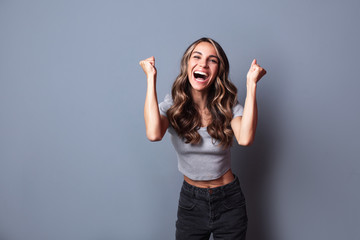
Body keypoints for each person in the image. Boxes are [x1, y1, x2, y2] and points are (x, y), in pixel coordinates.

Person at [139, 37, 266, 240]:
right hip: (191, 202)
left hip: (229, 200)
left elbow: (245, 138)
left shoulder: (228, 105)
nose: (203, 64)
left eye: (212, 60)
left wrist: (251, 85)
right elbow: (154, 133)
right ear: (187, 64)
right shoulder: (173, 105)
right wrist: (150, 78)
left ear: (218, 70)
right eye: (196, 57)